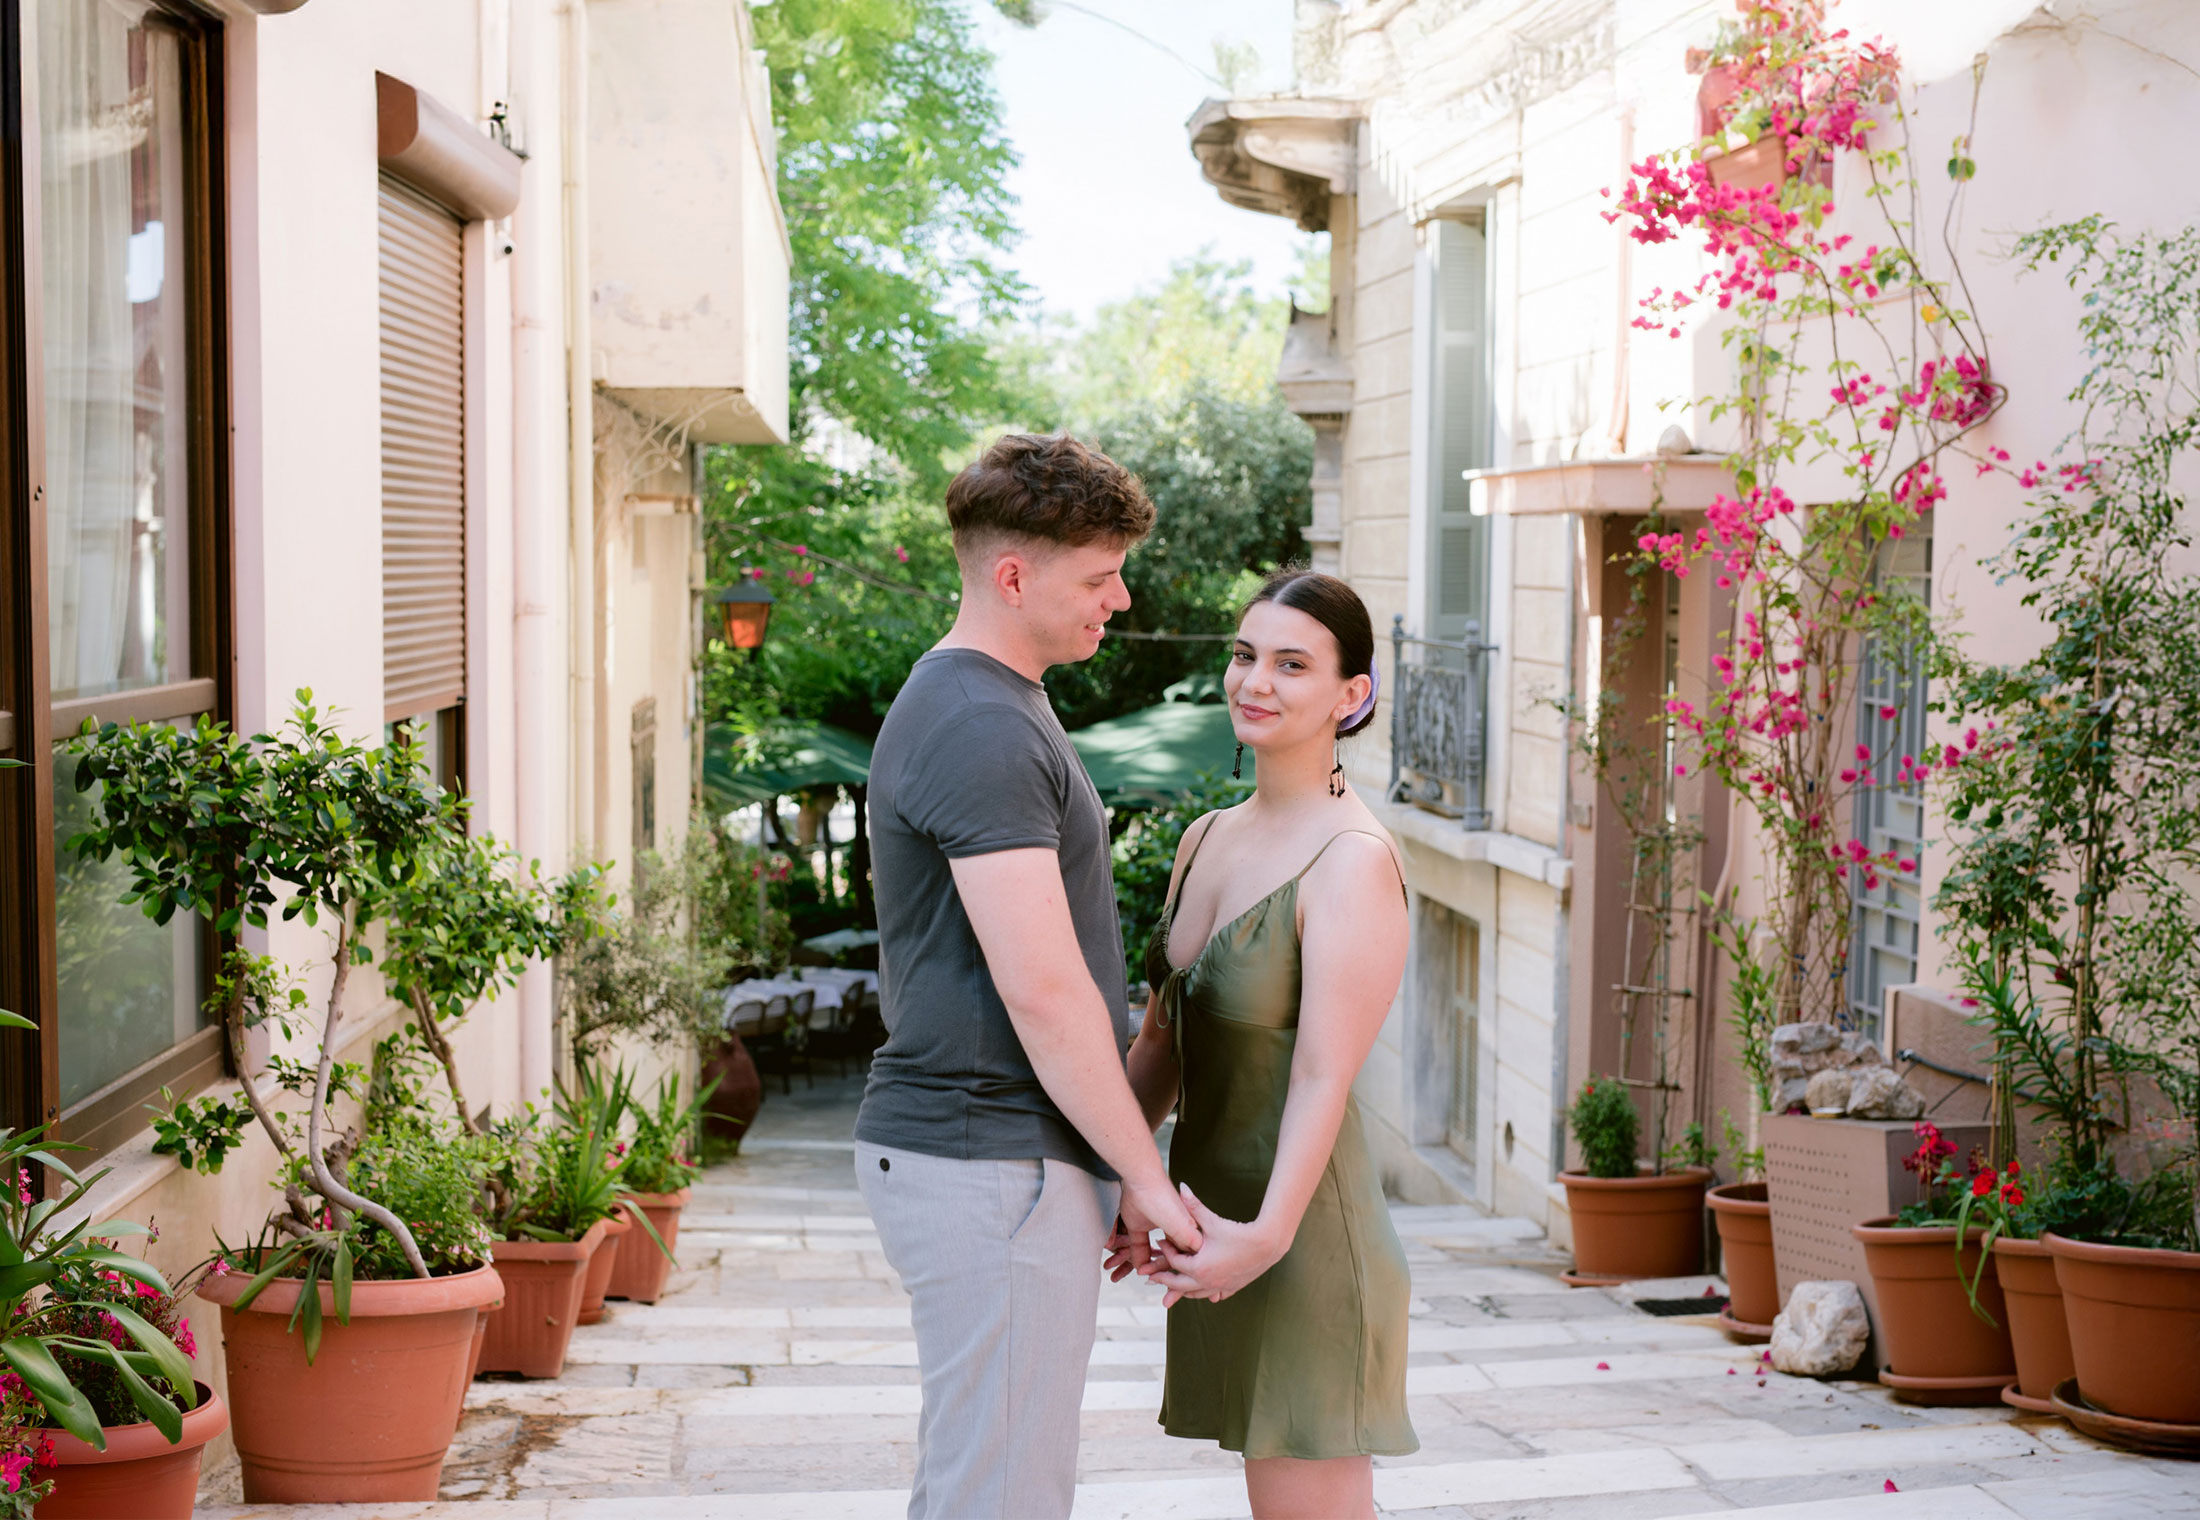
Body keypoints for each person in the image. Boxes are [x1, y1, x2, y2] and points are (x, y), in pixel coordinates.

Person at [855, 432, 1203, 1520]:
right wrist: (1143, 1177)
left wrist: (1104, 1164)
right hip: (988, 1155)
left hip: (997, 1156)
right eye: (1098, 576)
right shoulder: (977, 722)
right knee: (1001, 1493)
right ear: (1013, 575)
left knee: (986, 1479)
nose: (1121, 596)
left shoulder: (991, 703)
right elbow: (1043, 989)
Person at [1112, 568, 1417, 1520]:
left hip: (1300, 1236)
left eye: (1292, 664)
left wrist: (1266, 1240)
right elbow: (1163, 1041)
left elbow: (1326, 1073)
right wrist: (1126, 1177)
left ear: (1351, 694)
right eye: (1246, 656)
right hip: (1218, 1226)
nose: (1256, 681)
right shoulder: (1206, 837)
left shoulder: (1353, 861)